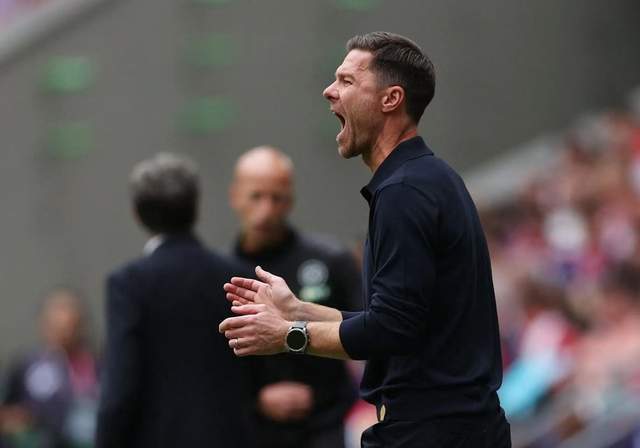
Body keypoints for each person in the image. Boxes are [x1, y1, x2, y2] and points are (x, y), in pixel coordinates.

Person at [219, 32, 511, 447]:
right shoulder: (424, 179)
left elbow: (391, 329)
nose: (329, 91)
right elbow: (396, 320)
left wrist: (287, 334)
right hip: (449, 427)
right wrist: (298, 309)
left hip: (434, 431)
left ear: (391, 99)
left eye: (347, 81)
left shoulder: (404, 191)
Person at [96, 153, 253, 448]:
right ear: (196, 207)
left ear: (137, 213)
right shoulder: (237, 276)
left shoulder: (128, 284)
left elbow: (120, 386)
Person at [229, 146, 361, 448]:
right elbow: (205, 363)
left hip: (324, 428)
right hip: (252, 433)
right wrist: (255, 400)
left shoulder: (330, 260)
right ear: (235, 196)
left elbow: (369, 332)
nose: (267, 209)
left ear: (290, 200)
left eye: (277, 198)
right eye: (256, 196)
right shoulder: (220, 274)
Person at [0, 287, 99, 448]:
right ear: (43, 324)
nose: (64, 331)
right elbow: (7, 413)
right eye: (55, 324)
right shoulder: (26, 365)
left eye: (70, 325)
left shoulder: (98, 366)